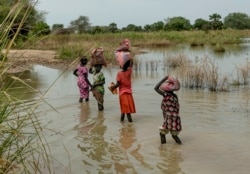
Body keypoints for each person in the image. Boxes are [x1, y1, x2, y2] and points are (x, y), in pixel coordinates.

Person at [154, 76, 182, 145]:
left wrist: (163, 79)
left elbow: (156, 88)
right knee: (174, 135)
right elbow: (177, 108)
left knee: (162, 133)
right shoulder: (175, 96)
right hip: (176, 118)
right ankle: (180, 146)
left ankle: (163, 148)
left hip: (169, 117)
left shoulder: (165, 94)